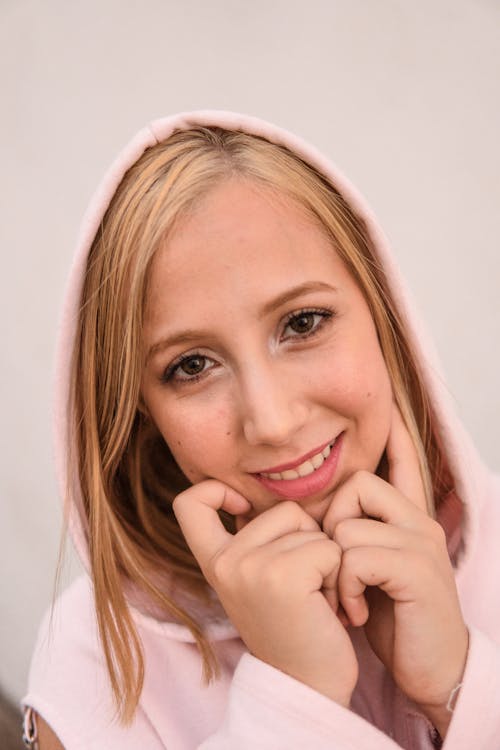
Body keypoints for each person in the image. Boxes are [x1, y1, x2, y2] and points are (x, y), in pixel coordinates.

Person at [21, 111, 500, 749]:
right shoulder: (93, 666)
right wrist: (292, 701)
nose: (273, 422)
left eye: (302, 323)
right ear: (140, 414)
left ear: (387, 314)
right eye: (190, 366)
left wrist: (459, 683)